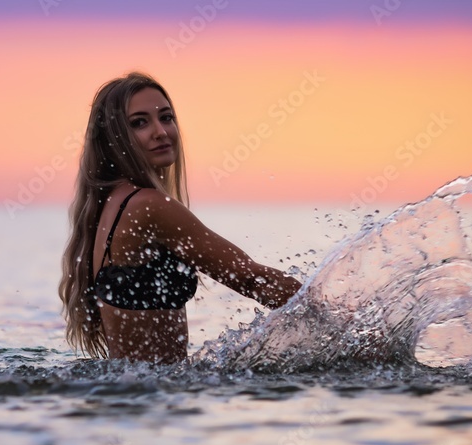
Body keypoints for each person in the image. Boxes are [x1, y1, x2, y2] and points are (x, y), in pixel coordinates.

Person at [59, 72, 302, 364]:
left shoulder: (110, 205)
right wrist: (332, 314)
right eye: (139, 123)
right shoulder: (148, 205)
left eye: (166, 117)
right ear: (114, 139)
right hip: (156, 399)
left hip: (132, 398)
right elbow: (249, 277)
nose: (160, 131)